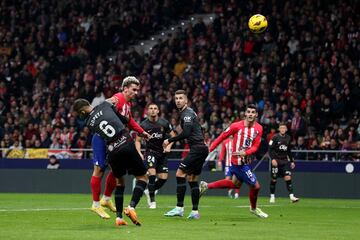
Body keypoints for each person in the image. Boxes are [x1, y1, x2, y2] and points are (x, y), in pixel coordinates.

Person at [73, 98, 148, 227]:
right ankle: (131, 207)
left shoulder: (89, 123)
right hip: (125, 142)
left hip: (112, 150)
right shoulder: (105, 105)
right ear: (88, 104)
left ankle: (119, 217)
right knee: (143, 177)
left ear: (82, 112)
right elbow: (123, 118)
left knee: (120, 182)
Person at [89, 76, 150, 220]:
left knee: (117, 170)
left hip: (113, 142)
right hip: (101, 138)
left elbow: (129, 121)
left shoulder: (127, 105)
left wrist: (141, 132)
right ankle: (96, 204)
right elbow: (101, 111)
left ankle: (107, 198)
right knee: (99, 169)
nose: (136, 93)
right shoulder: (117, 99)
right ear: (125, 88)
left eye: (137, 90)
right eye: (133, 90)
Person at [200, 104, 268, 218]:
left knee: (235, 184)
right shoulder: (236, 126)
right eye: (249, 112)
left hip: (245, 160)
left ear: (256, 115)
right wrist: (210, 149)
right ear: (245, 114)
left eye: (253, 112)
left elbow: (256, 147)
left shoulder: (259, 128)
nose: (250, 114)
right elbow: (222, 136)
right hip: (237, 162)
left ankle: (206, 186)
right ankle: (253, 208)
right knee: (256, 187)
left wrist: (245, 152)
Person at [163, 90, 209, 219]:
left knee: (179, 174)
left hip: (197, 149)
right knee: (192, 179)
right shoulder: (187, 113)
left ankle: (179, 208)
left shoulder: (187, 114)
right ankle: (195, 212)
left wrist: (169, 140)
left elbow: (187, 133)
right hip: (201, 148)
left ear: (186, 100)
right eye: (176, 98)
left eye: (180, 98)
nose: (178, 100)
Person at [135, 103, 176, 209]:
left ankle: (149, 191)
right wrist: (139, 152)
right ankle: (153, 202)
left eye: (155, 108)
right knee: (152, 175)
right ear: (147, 111)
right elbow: (138, 140)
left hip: (162, 153)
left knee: (163, 178)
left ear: (158, 111)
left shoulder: (164, 123)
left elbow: (173, 136)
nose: (153, 110)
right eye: (151, 108)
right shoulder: (143, 125)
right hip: (150, 152)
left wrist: (169, 146)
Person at [269, 122, 299, 203]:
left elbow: (289, 150)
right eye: (281, 128)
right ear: (279, 129)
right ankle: (272, 196)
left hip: (285, 161)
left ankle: (292, 197)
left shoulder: (288, 138)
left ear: (286, 129)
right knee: (274, 179)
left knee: (288, 177)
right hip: (276, 161)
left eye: (284, 128)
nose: (282, 129)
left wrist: (292, 161)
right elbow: (270, 149)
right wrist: (273, 159)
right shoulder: (274, 137)